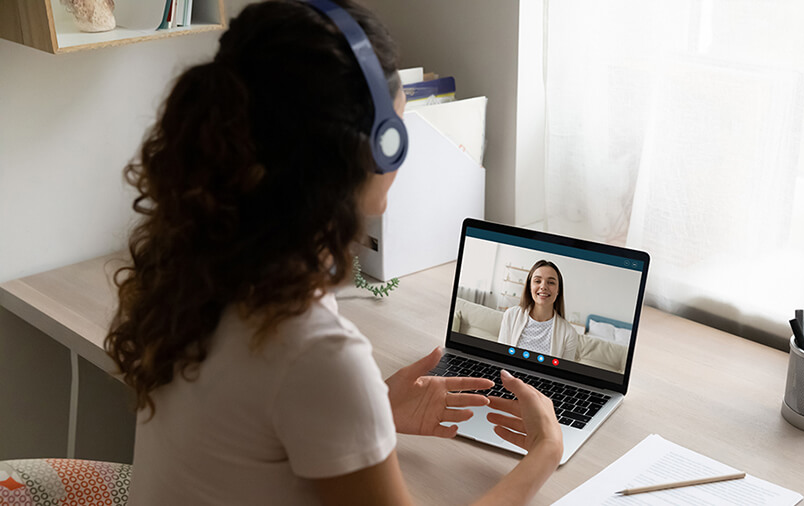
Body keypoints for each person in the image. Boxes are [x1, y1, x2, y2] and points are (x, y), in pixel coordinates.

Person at [104, 1, 562, 505]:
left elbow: (255, 427)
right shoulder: (316, 350)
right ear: (374, 148)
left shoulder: (197, 274)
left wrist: (375, 413)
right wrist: (545, 451)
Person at [498, 260, 579, 360]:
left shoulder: (569, 333)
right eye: (537, 281)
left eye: (551, 282)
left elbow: (563, 374)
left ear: (558, 290)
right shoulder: (511, 315)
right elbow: (500, 359)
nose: (543, 287)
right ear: (529, 286)